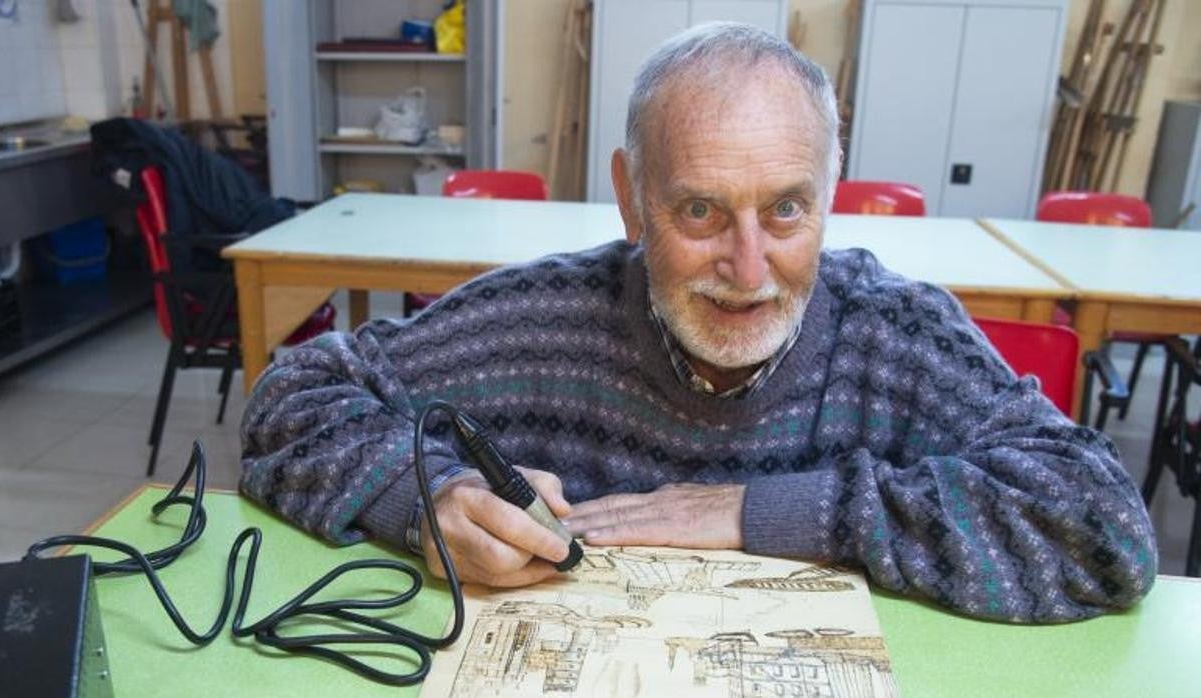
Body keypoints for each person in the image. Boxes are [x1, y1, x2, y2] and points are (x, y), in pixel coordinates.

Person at [240, 23, 1156, 622]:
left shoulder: (895, 339)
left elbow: (1105, 527)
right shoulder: (531, 320)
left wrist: (767, 512)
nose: (749, 270)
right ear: (631, 199)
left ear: (830, 197)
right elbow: (292, 397)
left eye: (786, 210)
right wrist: (427, 498)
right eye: (700, 212)